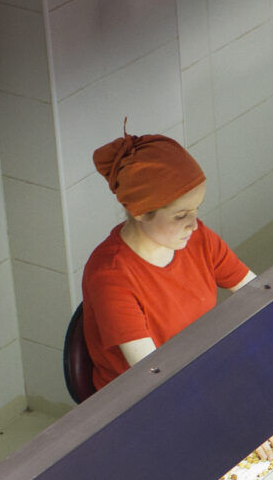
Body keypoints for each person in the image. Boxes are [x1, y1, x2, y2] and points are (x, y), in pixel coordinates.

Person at [80, 132, 253, 384]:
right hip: (143, 395)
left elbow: (257, 293)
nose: (193, 225)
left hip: (198, 366)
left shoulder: (198, 239)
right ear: (139, 212)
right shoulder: (111, 277)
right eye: (180, 215)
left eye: (197, 210)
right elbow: (154, 374)